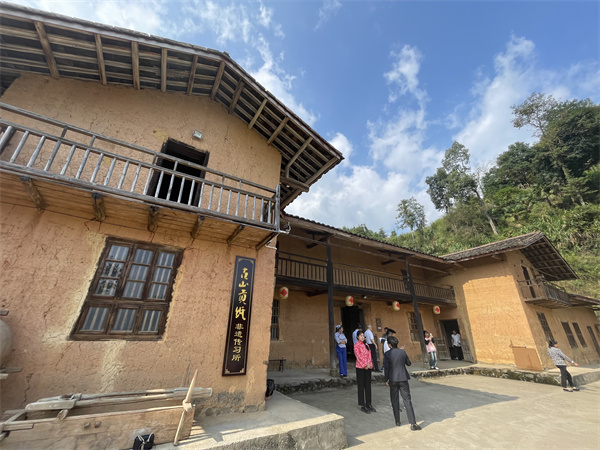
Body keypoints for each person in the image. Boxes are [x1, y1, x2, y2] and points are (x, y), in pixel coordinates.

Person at [384, 335, 422, 431]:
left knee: (394, 399)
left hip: (392, 379)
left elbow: (387, 368)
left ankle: (397, 421)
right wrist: (403, 354)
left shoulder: (387, 354)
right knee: (407, 400)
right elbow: (409, 363)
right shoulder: (402, 352)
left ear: (389, 345)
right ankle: (413, 423)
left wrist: (386, 379)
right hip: (403, 378)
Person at [354, 330, 376, 414]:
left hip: (368, 367)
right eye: (361, 336)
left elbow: (369, 356)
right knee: (361, 386)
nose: (362, 337)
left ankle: (369, 403)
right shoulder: (356, 345)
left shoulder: (366, 345)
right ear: (357, 337)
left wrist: (369, 365)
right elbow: (358, 356)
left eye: (363, 335)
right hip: (360, 368)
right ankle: (362, 405)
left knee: (368, 386)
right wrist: (364, 365)